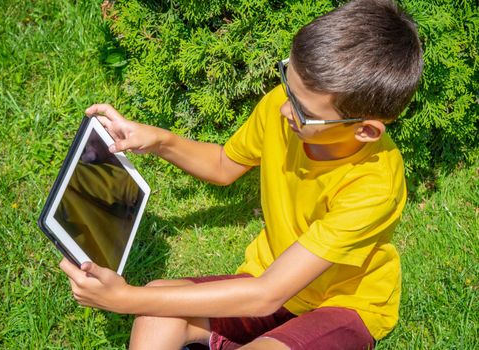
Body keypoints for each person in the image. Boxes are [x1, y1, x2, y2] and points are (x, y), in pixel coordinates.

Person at [59, 0, 423, 348]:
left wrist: (125, 298)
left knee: (147, 301)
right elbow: (223, 165)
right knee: (156, 310)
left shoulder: (374, 185)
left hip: (340, 304)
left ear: (366, 130)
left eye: (302, 108)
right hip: (266, 278)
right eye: (287, 83)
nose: (283, 108)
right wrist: (158, 140)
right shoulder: (284, 110)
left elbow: (267, 295)